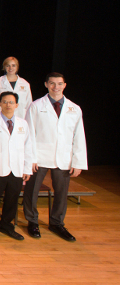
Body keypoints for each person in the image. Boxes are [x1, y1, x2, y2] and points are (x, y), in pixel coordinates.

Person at [22, 73, 87, 242]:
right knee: (32, 191)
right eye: (52, 84)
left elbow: (79, 137)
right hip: (40, 156)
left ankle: (57, 223)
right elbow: (29, 134)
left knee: (61, 192)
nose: (56, 87)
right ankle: (32, 221)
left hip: (63, 157)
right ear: (46, 84)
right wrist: (31, 158)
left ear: (64, 85)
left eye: (59, 84)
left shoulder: (74, 109)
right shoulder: (36, 106)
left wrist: (78, 162)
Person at [0, 91, 34, 241]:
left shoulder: (23, 124)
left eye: (11, 102)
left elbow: (28, 147)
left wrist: (27, 168)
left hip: (16, 169)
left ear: (16, 105)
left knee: (12, 200)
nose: (8, 105)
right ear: (0, 103)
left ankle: (7, 226)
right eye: (5, 101)